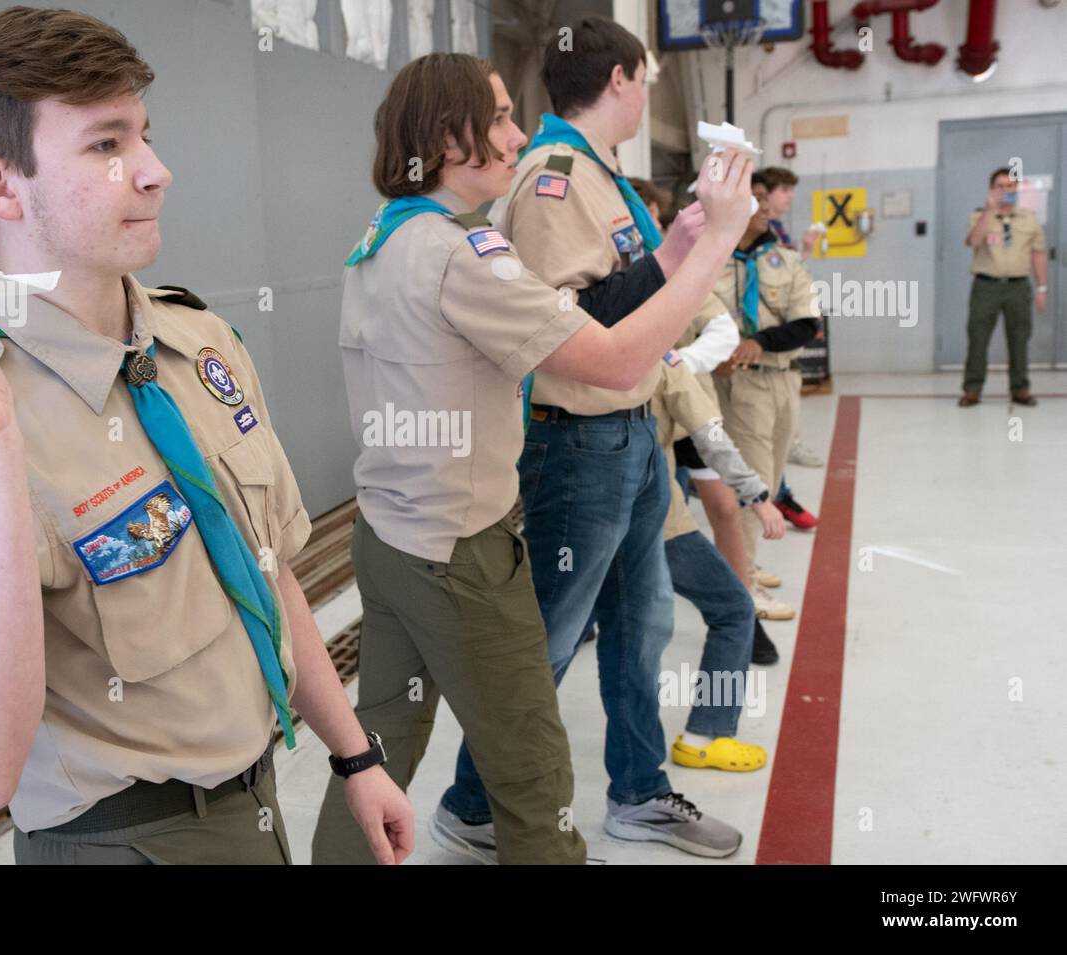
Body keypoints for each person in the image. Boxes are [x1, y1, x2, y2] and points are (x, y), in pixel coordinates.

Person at [0, 6, 412, 865]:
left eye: (143, 135)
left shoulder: (195, 342)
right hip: (124, 842)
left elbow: (266, 573)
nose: (156, 171)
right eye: (107, 146)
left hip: (257, 797)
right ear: (1, 185)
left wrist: (355, 754)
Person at [313, 52, 752, 865]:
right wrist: (717, 241)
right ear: (451, 139)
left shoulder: (385, 236)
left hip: (390, 535)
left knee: (375, 746)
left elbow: (562, 313)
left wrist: (671, 253)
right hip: (461, 549)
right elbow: (621, 360)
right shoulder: (463, 255)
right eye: (504, 117)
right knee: (533, 768)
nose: (519, 134)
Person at [653, 349, 784, 766]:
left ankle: (488, 774)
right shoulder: (660, 359)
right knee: (733, 607)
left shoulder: (559, 342)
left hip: (571, 519)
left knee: (557, 643)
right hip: (655, 520)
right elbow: (710, 437)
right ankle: (705, 735)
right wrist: (758, 495)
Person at [710, 177, 820, 622]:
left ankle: (746, 563)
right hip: (739, 383)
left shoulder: (787, 260)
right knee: (751, 483)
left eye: (765, 200)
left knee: (771, 479)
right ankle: (744, 588)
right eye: (753, 199)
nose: (765, 207)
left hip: (783, 378)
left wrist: (761, 342)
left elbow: (807, 322)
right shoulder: (707, 258)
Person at [757, 167, 822, 534]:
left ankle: (778, 485)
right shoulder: (753, 234)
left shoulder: (777, 234)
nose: (786, 198)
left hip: (780, 348)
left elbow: (786, 280)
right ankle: (775, 494)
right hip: (755, 350)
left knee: (776, 431)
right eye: (782, 191)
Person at [960, 167, 1049, 407]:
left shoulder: (1029, 219)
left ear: (1016, 189)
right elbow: (974, 241)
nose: (1006, 190)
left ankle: (1020, 389)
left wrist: (1042, 288)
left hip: (1018, 287)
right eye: (1001, 186)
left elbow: (1038, 253)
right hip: (986, 286)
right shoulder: (980, 216)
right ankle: (972, 390)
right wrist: (990, 210)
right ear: (992, 190)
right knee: (978, 338)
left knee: (1019, 339)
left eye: (1010, 186)